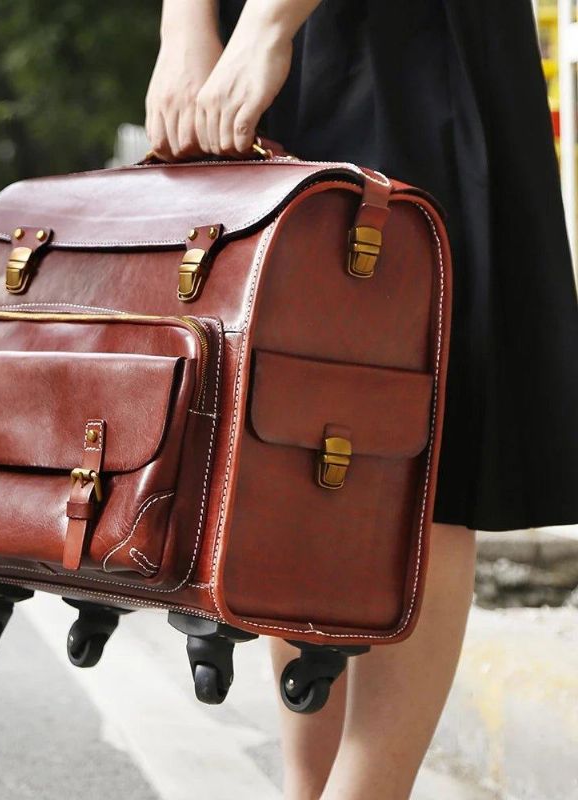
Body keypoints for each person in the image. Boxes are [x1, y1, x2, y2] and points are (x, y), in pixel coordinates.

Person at [146, 2, 578, 799]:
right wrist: (185, 29)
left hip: (411, 39)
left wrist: (263, 30)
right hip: (265, 43)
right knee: (283, 429)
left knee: (421, 431)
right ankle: (306, 789)